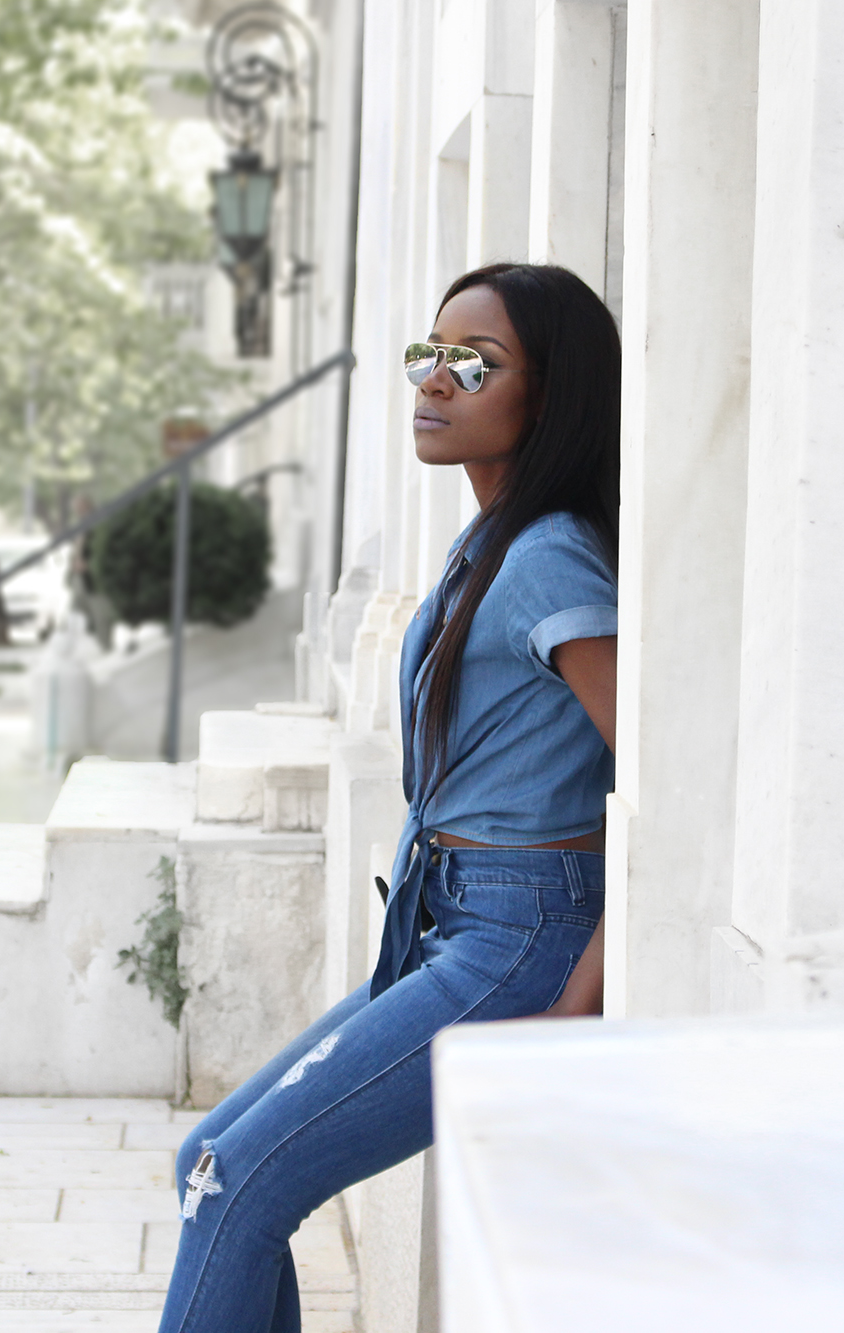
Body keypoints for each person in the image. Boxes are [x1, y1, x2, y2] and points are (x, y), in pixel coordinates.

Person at [160, 264, 622, 1333]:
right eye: (430, 353)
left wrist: (577, 998)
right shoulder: (487, 539)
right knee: (211, 1162)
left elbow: (645, 775)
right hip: (445, 918)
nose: (436, 380)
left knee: (234, 1179)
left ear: (548, 398)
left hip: (516, 933)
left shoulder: (550, 558)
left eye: (477, 362)